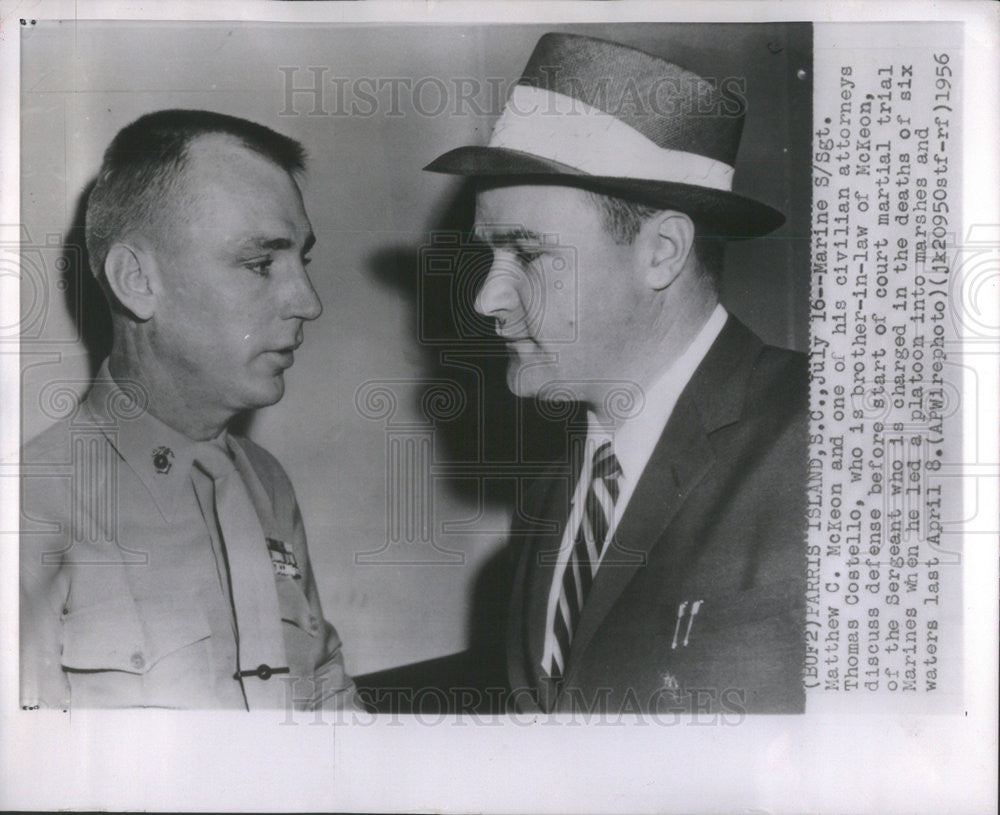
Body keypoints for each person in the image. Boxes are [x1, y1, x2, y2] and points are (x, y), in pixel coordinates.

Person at [425, 33, 807, 714]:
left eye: (528, 253)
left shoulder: (825, 444)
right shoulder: (548, 502)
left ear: (661, 251)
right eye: (489, 252)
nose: (486, 298)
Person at [20, 109, 357, 711]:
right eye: (260, 264)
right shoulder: (29, 508)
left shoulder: (265, 481)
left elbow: (325, 685)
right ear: (137, 281)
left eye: (302, 260)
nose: (309, 302)